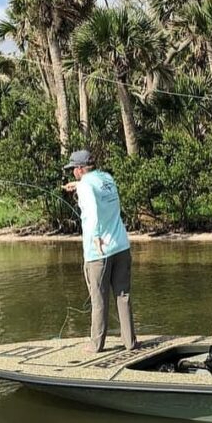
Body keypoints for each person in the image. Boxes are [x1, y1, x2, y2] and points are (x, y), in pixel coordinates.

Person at [62, 149, 138, 352]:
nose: (72, 173)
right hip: (121, 246)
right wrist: (79, 186)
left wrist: (95, 237)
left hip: (99, 252)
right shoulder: (107, 178)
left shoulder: (86, 185)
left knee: (99, 299)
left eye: (73, 170)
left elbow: (93, 212)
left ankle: (96, 344)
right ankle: (130, 342)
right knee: (123, 295)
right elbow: (96, 191)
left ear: (79, 169)